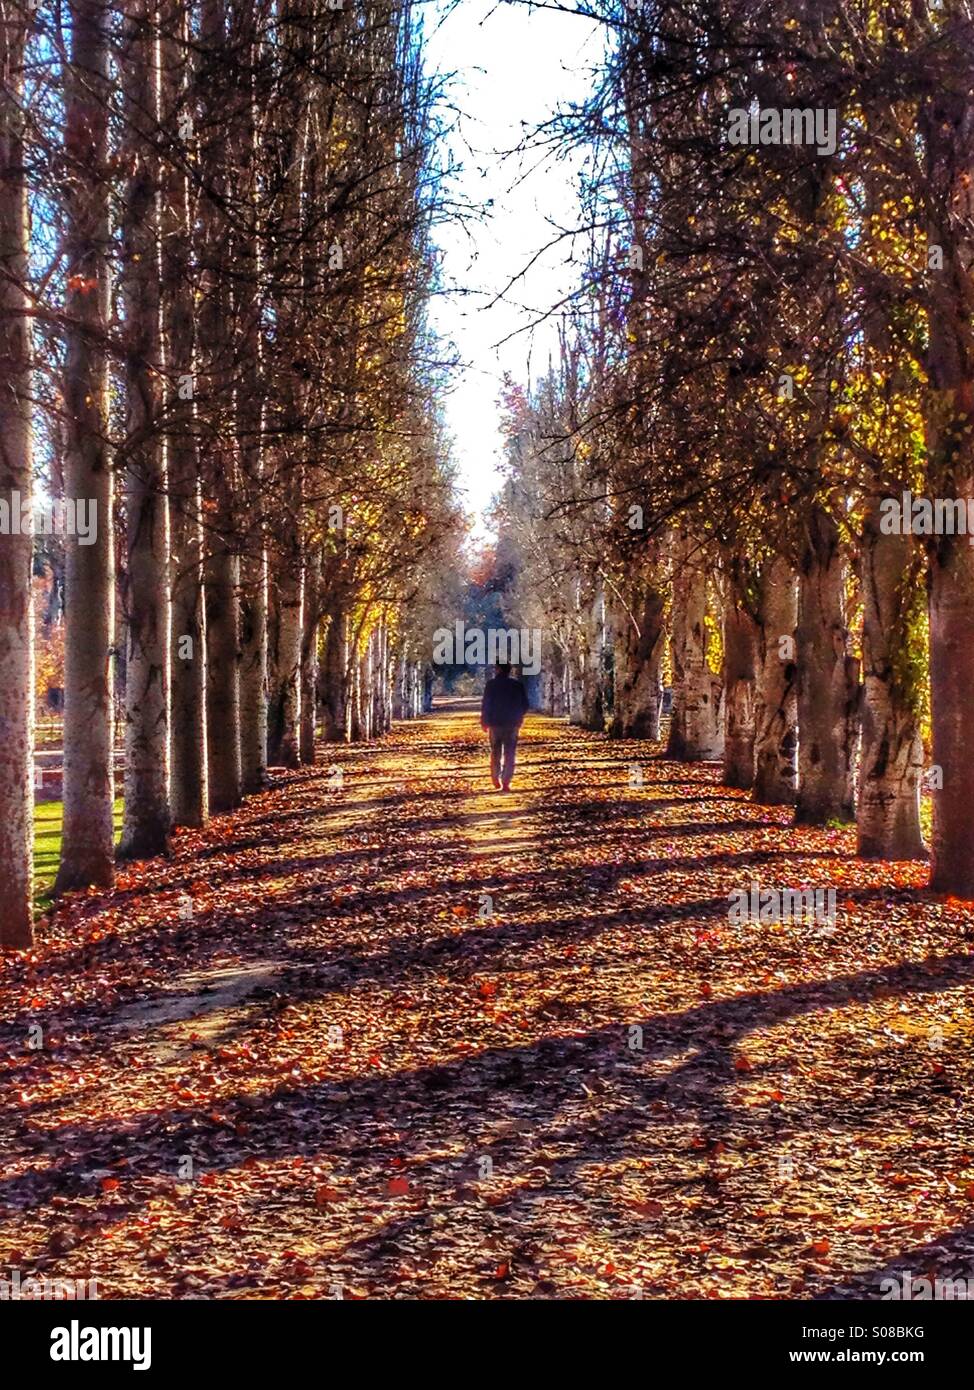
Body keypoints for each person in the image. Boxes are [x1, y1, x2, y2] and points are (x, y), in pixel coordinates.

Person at [480, 661, 529, 791]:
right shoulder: (517, 685)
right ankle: (506, 780)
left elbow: (486, 705)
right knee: (510, 753)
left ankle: (495, 778)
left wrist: (484, 721)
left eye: (496, 668)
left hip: (495, 724)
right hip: (512, 724)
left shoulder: (491, 685)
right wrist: (518, 716)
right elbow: (525, 705)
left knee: (495, 752)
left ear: (499, 669)